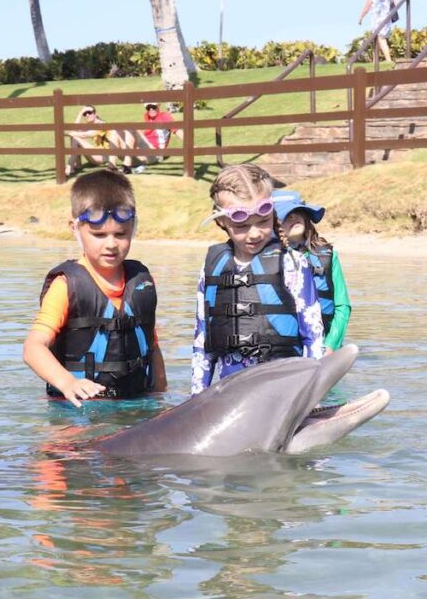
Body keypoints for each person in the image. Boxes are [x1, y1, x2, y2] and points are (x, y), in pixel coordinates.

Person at [23, 169, 167, 406]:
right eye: (99, 235)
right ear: (74, 228)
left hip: (135, 405)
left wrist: (161, 395)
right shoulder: (66, 286)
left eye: (120, 234)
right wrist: (68, 383)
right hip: (77, 412)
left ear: (134, 227)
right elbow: (33, 348)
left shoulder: (141, 281)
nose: (111, 244)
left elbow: (151, 345)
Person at [191, 163, 325, 395]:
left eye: (262, 222)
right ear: (221, 221)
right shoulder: (212, 265)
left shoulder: (292, 263)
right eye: (242, 226)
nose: (255, 233)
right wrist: (197, 397)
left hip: (283, 388)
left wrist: (312, 396)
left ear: (271, 212)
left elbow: (313, 334)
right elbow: (203, 339)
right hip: (228, 391)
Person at [274, 189, 352, 353]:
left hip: (324, 346)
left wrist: (330, 345)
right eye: (286, 216)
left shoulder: (327, 255)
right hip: (285, 349)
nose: (293, 218)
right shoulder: (269, 259)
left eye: (296, 212)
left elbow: (342, 306)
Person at [65, 105, 131, 176]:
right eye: (85, 113)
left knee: (75, 137)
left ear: (95, 114)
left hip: (103, 156)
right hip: (97, 153)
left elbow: (87, 135)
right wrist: (80, 113)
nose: (87, 115)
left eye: (89, 112)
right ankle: (77, 165)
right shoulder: (90, 125)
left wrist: (69, 133)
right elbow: (75, 129)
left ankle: (70, 168)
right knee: (74, 137)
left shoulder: (101, 124)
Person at [358, 0, 395, 64]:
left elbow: (367, 6)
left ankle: (389, 60)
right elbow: (394, 4)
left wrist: (361, 17)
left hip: (377, 19)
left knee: (381, 38)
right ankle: (375, 61)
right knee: (377, 39)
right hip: (387, 18)